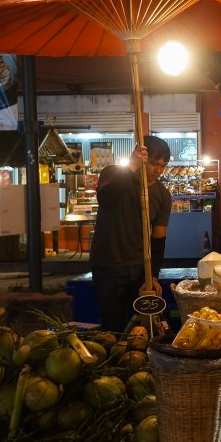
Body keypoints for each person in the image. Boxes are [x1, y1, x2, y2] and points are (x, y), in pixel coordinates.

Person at [89, 135, 172, 333]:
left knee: (144, 329)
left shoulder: (163, 195)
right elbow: (106, 199)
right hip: (108, 266)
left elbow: (158, 239)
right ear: (141, 156)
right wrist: (132, 166)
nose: (158, 171)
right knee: (112, 329)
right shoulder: (112, 173)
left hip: (140, 268)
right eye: (154, 164)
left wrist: (152, 275)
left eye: (163, 166)